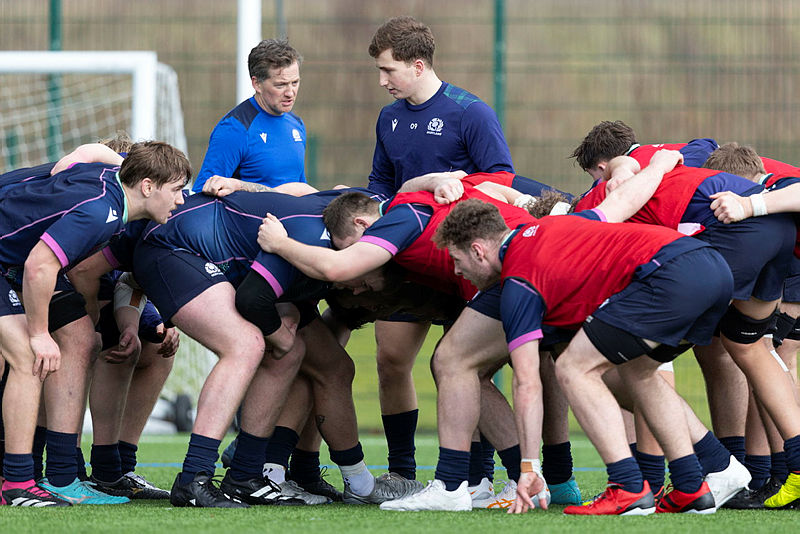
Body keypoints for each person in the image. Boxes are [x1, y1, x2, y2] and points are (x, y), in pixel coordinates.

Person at [364, 16, 529, 497]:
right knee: (391, 358)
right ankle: (402, 471)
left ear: (418, 66)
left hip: (464, 262)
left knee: (465, 365)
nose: (382, 81)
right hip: (411, 258)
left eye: (389, 70)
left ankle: (477, 476)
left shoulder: (470, 112)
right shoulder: (388, 117)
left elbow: (503, 184)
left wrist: (450, 192)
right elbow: (380, 184)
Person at [578, 153, 800, 510]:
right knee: (751, 347)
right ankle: (794, 465)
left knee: (641, 365)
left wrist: (750, 205)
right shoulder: (671, 162)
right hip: (778, 232)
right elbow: (631, 161)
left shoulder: (590, 212)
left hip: (742, 228)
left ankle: (681, 478)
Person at [0, 142, 190, 507]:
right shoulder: (101, 210)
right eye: (177, 190)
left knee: (80, 340)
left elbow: (96, 152)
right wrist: (40, 335)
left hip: (17, 261)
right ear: (148, 187)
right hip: (16, 264)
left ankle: (60, 477)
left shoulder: (119, 185)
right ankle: (19, 482)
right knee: (27, 356)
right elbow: (39, 267)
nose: (181, 200)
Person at [192, 39, 307, 193]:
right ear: (257, 84)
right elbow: (202, 194)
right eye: (280, 85)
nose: (290, 93)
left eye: (295, 83)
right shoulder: (234, 129)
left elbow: (300, 189)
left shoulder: (296, 124)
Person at [571, 120, 718, 183]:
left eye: (593, 176)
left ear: (603, 167)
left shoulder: (629, 177)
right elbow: (709, 146)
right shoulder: (696, 147)